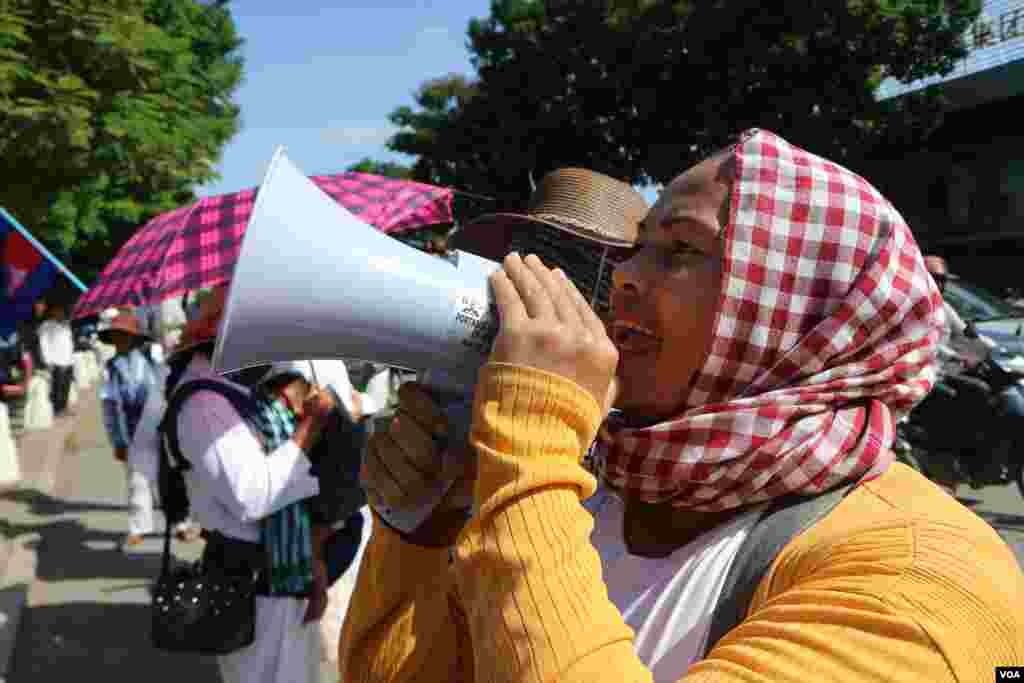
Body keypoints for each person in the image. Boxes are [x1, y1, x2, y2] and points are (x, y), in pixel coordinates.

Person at [341, 129, 1024, 682]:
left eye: (679, 250)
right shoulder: (592, 488)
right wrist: (420, 535)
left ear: (796, 304)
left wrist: (530, 445)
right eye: (636, 250)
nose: (624, 280)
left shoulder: (925, 581)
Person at [163, 286, 337, 683]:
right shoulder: (204, 404)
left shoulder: (234, 391)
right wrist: (309, 426)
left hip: (280, 574)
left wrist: (313, 565)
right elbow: (255, 496)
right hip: (251, 581)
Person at [98, 311, 164, 548]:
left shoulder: (152, 361)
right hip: (131, 429)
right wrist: (117, 440)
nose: (121, 340)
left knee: (165, 477)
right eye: (117, 336)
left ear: (136, 338)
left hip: (157, 426)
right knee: (137, 480)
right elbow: (109, 406)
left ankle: (180, 522)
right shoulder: (112, 368)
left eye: (125, 335)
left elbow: (163, 389)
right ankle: (139, 526)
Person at [38, 300, 75, 416]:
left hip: (68, 359)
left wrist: (71, 357)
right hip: (56, 360)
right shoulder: (46, 325)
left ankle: (64, 407)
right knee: (57, 387)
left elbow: (69, 342)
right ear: (52, 312)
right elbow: (43, 343)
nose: (60, 313)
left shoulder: (66, 324)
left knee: (66, 386)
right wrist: (47, 360)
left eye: (62, 311)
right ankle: (57, 409)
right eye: (57, 310)